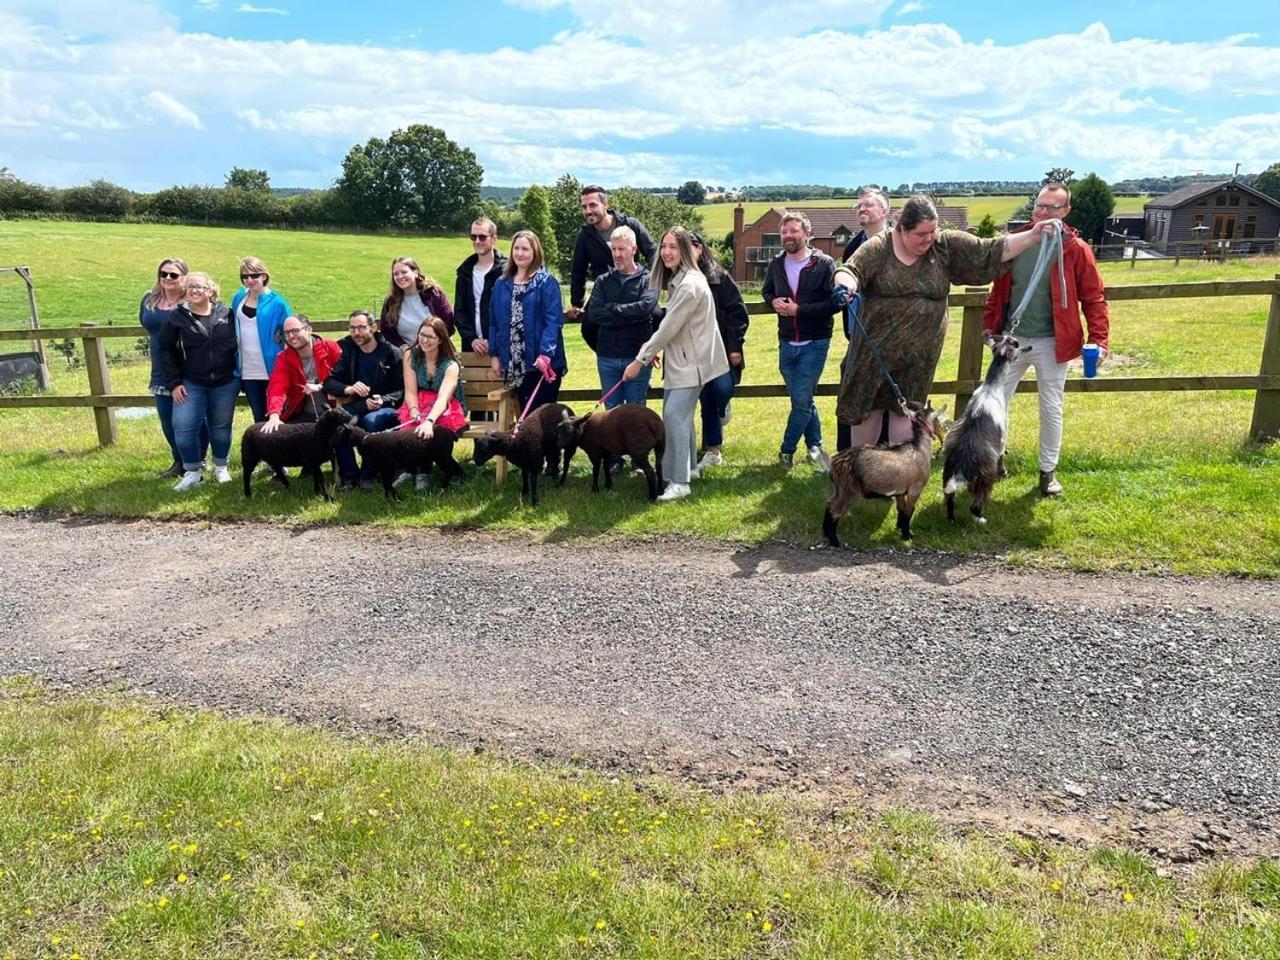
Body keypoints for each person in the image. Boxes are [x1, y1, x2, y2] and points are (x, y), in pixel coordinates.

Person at [831, 194, 1061, 448]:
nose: (929, 238)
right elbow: (849, 270)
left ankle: (896, 481)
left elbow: (991, 249)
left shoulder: (944, 245)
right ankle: (859, 480)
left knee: (905, 414)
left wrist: (1033, 236)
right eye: (921, 234)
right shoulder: (879, 246)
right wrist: (845, 287)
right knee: (867, 413)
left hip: (918, 359)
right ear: (901, 228)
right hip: (873, 355)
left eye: (933, 231)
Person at [982, 182, 1110, 496]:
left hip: (1053, 342)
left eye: (1052, 207)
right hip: (1011, 340)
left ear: (1065, 211)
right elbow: (999, 292)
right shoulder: (1018, 242)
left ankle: (1047, 473)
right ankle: (995, 460)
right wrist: (989, 327)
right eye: (1040, 205)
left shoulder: (1075, 249)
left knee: (1051, 408)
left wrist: (1100, 340)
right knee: (994, 403)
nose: (1044, 212)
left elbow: (1094, 298)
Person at [623, 227, 729, 503]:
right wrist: (656, 349)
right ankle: (689, 469)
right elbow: (674, 331)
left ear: (685, 250)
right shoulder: (681, 279)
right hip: (684, 360)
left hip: (692, 363)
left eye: (673, 247)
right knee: (682, 418)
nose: (667, 252)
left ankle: (679, 482)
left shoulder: (690, 285)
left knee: (673, 418)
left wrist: (640, 360)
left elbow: (668, 328)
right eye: (664, 246)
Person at [761, 210, 837, 470]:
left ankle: (786, 451)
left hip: (814, 343)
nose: (788, 236)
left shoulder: (824, 263)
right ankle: (815, 446)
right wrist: (772, 300)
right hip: (785, 342)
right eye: (784, 232)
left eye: (794, 231)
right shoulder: (776, 263)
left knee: (802, 401)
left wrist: (799, 310)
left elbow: (833, 303)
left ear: (807, 234)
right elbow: (766, 290)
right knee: (803, 400)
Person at [157, 272, 238, 492]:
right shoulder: (176, 317)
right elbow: (164, 350)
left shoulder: (227, 314)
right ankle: (193, 472)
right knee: (183, 426)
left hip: (225, 381)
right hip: (191, 382)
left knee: (221, 427)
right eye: (190, 287)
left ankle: (221, 467)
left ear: (210, 291)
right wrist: (174, 383)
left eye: (200, 287)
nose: (194, 290)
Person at [324, 309, 406, 491]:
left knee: (371, 422)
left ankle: (369, 474)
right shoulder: (348, 350)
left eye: (361, 327)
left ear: (373, 327)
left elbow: (403, 389)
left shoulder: (391, 352)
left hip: (387, 408)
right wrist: (349, 388)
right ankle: (349, 477)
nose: (356, 333)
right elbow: (329, 382)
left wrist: (383, 399)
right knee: (337, 425)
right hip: (357, 405)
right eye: (352, 328)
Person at [489, 230, 568, 413]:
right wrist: (494, 355)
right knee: (524, 417)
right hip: (515, 362)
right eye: (516, 248)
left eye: (525, 249)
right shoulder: (502, 284)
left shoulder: (547, 282)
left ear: (535, 252)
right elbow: (494, 322)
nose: (520, 253)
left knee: (543, 418)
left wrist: (545, 354)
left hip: (542, 363)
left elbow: (553, 322)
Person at [837, 189, 891, 451]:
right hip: (859, 335)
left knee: (887, 396)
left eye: (868, 205)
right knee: (851, 386)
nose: (861, 209)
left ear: (885, 211)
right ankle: (848, 454)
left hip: (892, 335)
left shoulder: (897, 243)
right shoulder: (853, 245)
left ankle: (887, 455)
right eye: (858, 206)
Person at [690, 233, 748, 472]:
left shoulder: (720, 277)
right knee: (706, 399)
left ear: (699, 249)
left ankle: (724, 409)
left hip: (722, 349)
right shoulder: (679, 277)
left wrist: (734, 346)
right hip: (695, 351)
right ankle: (713, 449)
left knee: (722, 389)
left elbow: (738, 312)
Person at [585, 225, 659, 408]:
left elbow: (645, 308)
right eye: (614, 249)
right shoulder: (603, 281)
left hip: (636, 358)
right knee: (611, 414)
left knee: (636, 412)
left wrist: (612, 308)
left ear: (633, 250)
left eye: (622, 249)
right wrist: (630, 316)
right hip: (607, 357)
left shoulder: (648, 279)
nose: (617, 254)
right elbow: (594, 314)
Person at [139, 256, 198, 477]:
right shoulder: (149, 299)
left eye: (173, 274)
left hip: (187, 368)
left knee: (190, 418)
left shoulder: (191, 301)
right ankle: (179, 460)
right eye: (163, 274)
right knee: (166, 419)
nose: (168, 278)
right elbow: (146, 323)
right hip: (159, 367)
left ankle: (197, 459)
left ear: (184, 277)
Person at [399, 317, 470, 492]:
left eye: (430, 337)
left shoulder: (450, 365)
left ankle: (424, 472)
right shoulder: (410, 355)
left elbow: (443, 398)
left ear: (440, 339)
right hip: (420, 400)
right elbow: (410, 391)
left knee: (432, 430)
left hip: (445, 405)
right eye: (422, 335)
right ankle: (410, 469)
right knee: (411, 424)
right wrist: (414, 410)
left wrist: (429, 421)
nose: (424, 340)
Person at [566, 184, 656, 322]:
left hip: (634, 285)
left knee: (656, 317)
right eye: (584, 207)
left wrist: (650, 280)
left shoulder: (630, 225)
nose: (588, 211)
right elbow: (578, 270)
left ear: (605, 204)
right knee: (588, 327)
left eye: (593, 205)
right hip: (605, 292)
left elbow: (652, 252)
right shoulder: (585, 235)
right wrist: (576, 303)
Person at [229, 256, 292, 422]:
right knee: (259, 417)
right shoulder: (239, 298)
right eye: (245, 276)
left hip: (272, 367)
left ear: (264, 276)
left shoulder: (278, 302)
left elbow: (290, 331)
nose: (249, 280)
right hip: (247, 368)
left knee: (277, 415)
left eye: (254, 275)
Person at [260, 315, 342, 433]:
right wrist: (274, 416)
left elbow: (345, 379)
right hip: (301, 414)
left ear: (309, 330)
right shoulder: (284, 357)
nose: (291, 336)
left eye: (295, 331)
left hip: (334, 411)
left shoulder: (330, 348)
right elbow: (277, 387)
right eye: (287, 333)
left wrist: (321, 386)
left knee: (340, 443)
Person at [454, 218, 508, 356]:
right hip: (472, 349)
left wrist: (495, 340)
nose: (477, 241)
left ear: (494, 239)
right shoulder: (464, 272)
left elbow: (512, 311)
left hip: (504, 347)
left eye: (482, 237)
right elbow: (460, 312)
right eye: (473, 237)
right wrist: (472, 339)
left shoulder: (507, 271)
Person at [379, 257, 456, 349]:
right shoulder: (390, 302)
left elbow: (449, 325)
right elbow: (387, 332)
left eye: (404, 272)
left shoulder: (433, 294)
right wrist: (402, 346)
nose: (400, 277)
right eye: (396, 274)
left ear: (415, 272)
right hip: (408, 356)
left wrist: (429, 344)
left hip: (438, 352)